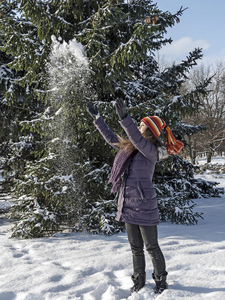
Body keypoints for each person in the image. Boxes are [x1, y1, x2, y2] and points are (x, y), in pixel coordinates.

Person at [86, 99, 183, 294]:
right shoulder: (130, 148)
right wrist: (98, 119)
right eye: (137, 124)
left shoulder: (151, 151)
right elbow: (112, 138)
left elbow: (137, 140)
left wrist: (124, 118)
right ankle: (138, 281)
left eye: (141, 125)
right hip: (128, 204)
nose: (138, 127)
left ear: (149, 131)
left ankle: (161, 281)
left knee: (152, 247)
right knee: (135, 248)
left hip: (145, 205)